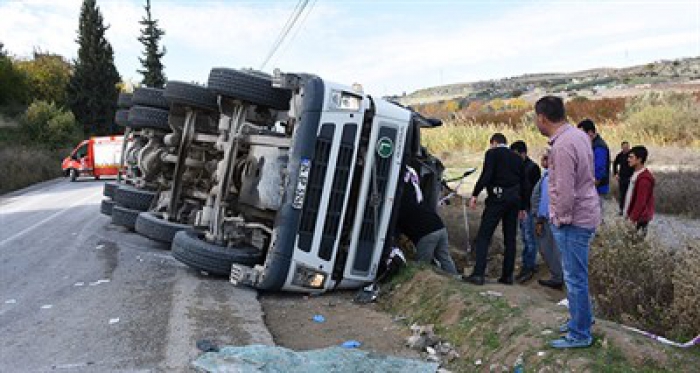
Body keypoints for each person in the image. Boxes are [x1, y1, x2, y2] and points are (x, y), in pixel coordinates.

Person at [534, 96, 601, 349]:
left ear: (542, 117)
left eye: (535, 118)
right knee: (577, 275)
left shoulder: (562, 146)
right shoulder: (577, 135)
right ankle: (580, 320)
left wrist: (559, 221)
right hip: (586, 213)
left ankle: (580, 333)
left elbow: (564, 191)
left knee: (574, 277)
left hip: (574, 221)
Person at [463, 133, 527, 286]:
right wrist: (523, 206)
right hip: (514, 201)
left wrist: (475, 194)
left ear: (494, 143)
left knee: (484, 235)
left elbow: (487, 175)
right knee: (510, 238)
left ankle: (478, 274)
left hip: (497, 199)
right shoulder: (517, 157)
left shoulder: (492, 153)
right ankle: (507, 275)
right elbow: (524, 182)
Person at [396, 166, 458, 275]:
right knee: (445, 258)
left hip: (427, 234)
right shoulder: (415, 198)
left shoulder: (399, 207)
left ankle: (422, 284)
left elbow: (397, 230)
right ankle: (455, 279)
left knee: (422, 267)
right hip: (440, 227)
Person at [530, 151, 563, 290]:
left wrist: (539, 219)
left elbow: (545, 201)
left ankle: (558, 278)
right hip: (547, 218)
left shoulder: (551, 177)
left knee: (549, 249)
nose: (542, 160)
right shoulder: (547, 175)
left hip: (548, 219)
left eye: (545, 158)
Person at [510, 140, 541, 283]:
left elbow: (533, 191)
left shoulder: (532, 168)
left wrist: (529, 208)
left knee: (529, 238)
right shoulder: (517, 167)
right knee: (524, 237)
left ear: (523, 153)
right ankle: (526, 264)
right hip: (520, 207)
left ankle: (529, 266)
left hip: (528, 208)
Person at [577, 119, 610, 217]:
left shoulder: (599, 147)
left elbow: (599, 171)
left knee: (596, 219)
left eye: (582, 134)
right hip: (592, 189)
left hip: (597, 190)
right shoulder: (591, 145)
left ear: (590, 133)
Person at [623, 146, 655, 234]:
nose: (628, 160)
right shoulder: (636, 174)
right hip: (632, 217)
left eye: (631, 157)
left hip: (639, 219)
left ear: (639, 159)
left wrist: (632, 220)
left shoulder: (644, 179)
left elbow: (640, 202)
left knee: (635, 245)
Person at [613, 141, 634, 215]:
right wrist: (615, 173)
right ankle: (621, 210)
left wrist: (634, 175)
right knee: (622, 194)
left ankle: (629, 210)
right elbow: (615, 163)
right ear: (622, 148)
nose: (626, 149)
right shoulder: (620, 155)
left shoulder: (632, 155)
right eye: (624, 147)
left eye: (627, 147)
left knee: (630, 194)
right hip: (622, 178)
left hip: (630, 178)